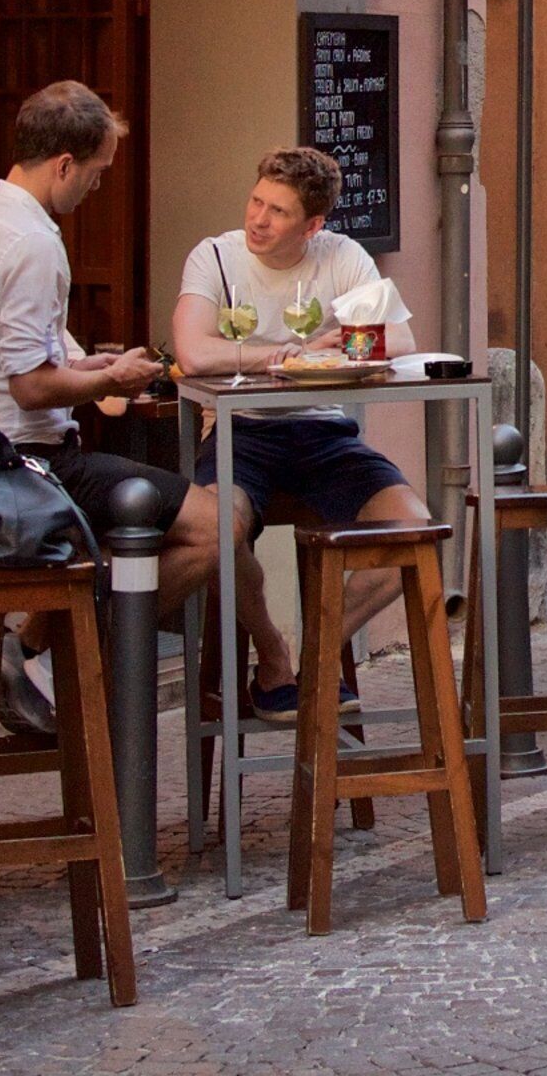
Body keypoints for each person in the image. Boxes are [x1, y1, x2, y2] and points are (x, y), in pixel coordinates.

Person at [0, 81, 220, 722]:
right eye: (95, 173)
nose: (96, 187)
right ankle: (62, 653)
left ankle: (40, 647)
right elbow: (30, 387)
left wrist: (91, 365)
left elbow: (16, 359)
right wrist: (112, 383)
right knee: (214, 527)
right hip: (20, 468)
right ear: (63, 164)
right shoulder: (33, 241)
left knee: (153, 525)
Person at [168, 145, 430, 716]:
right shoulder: (215, 257)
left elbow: (400, 340)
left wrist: (346, 345)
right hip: (244, 431)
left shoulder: (342, 255)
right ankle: (271, 651)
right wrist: (288, 355)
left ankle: (312, 655)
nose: (258, 219)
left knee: (413, 531)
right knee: (218, 532)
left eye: (278, 212)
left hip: (323, 434)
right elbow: (192, 351)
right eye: (256, 201)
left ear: (313, 225)